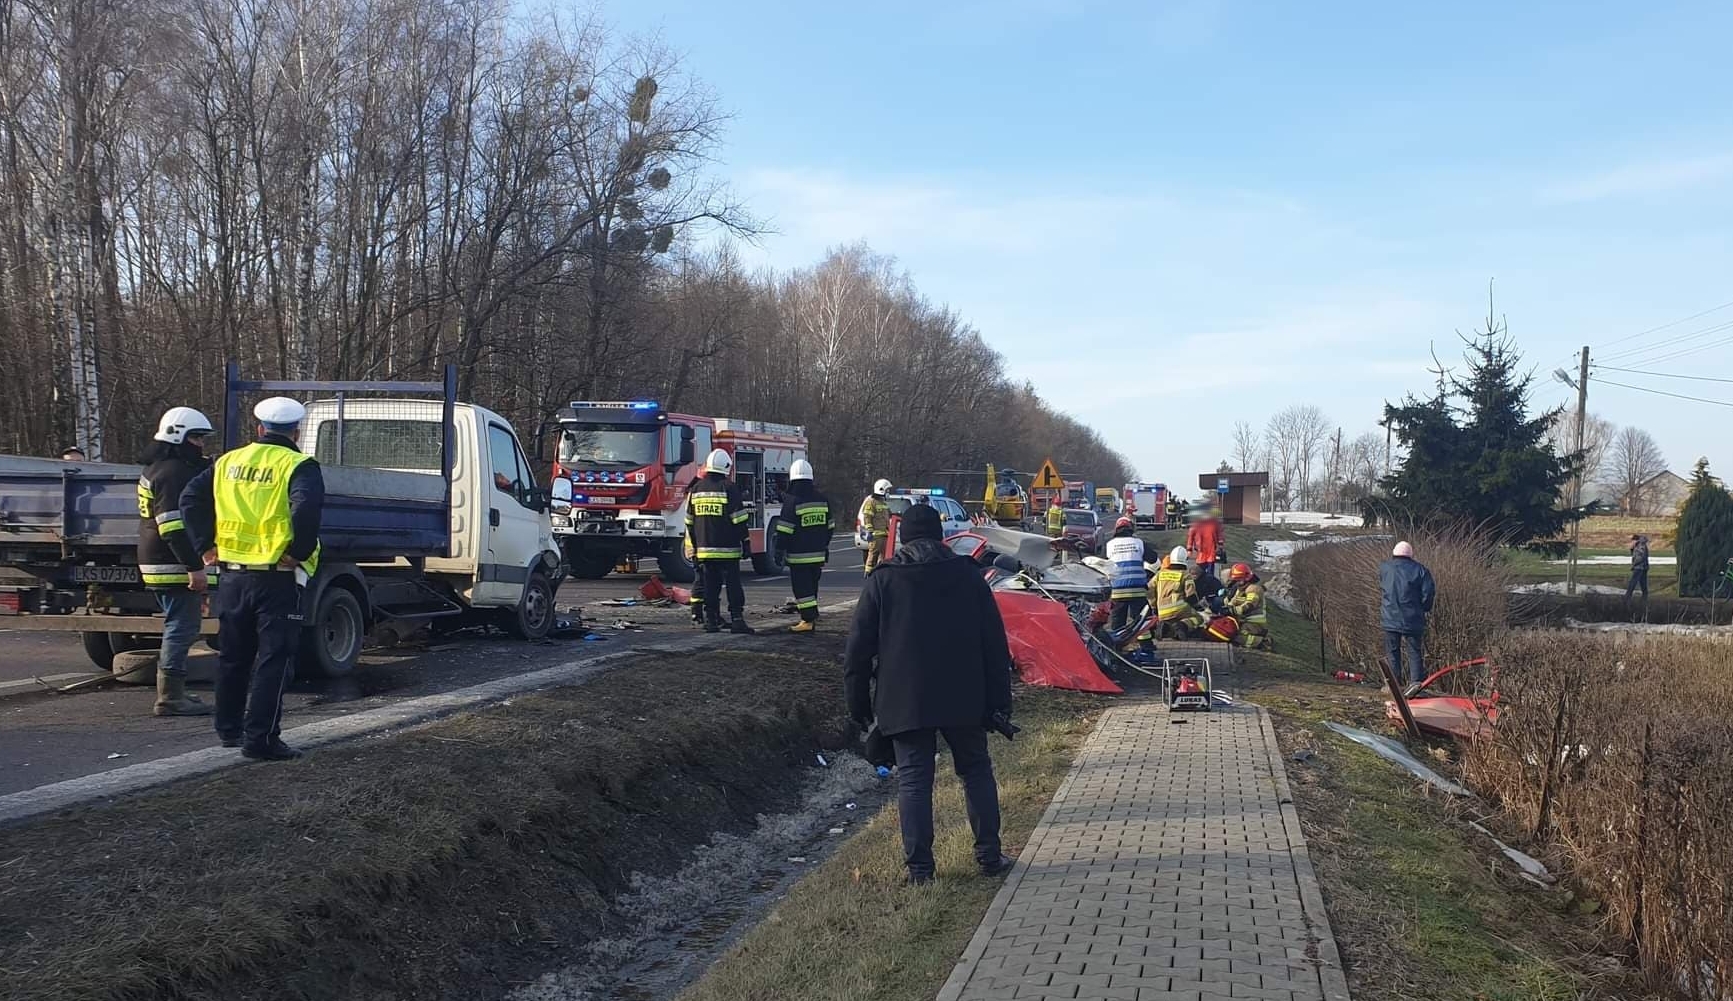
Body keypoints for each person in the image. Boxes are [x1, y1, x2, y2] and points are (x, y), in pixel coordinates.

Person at [843, 503, 1015, 886]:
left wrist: (859, 708)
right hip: (964, 695)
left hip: (904, 699)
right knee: (975, 771)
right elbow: (994, 644)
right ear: (940, 535)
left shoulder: (883, 581)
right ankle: (989, 855)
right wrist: (999, 702)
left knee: (914, 780)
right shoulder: (968, 577)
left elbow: (857, 651)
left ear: (902, 537)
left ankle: (921, 871)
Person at [181, 397, 323, 761]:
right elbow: (305, 509)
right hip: (277, 576)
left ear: (259, 429)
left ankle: (229, 730)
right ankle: (261, 740)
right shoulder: (299, 464)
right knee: (274, 659)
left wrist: (205, 547)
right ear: (297, 431)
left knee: (233, 656)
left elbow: (189, 499)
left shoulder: (226, 461)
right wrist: (300, 551)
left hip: (231, 575)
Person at [137, 407, 217, 716]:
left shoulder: (156, 468)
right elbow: (172, 526)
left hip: (157, 556)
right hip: (170, 560)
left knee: (181, 624)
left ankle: (176, 691)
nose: (201, 445)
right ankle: (170, 697)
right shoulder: (173, 473)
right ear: (178, 437)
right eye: (196, 438)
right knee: (181, 627)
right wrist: (194, 567)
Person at [685, 448, 754, 635]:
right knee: (733, 584)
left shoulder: (696, 489)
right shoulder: (729, 488)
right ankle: (737, 619)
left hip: (705, 550)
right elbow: (739, 519)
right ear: (726, 467)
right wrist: (746, 541)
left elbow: (689, 522)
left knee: (710, 586)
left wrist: (695, 547)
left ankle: (711, 621)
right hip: (728, 549)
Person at [776, 459, 833, 633]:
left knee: (802, 588)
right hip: (818, 554)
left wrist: (779, 549)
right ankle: (810, 617)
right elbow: (830, 527)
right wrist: (824, 544)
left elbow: (784, 529)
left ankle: (808, 620)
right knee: (811, 587)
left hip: (798, 556)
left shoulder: (792, 501)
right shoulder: (823, 499)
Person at [1379, 540, 1436, 687]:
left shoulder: (1384, 568)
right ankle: (1416, 684)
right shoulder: (1421, 570)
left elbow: (1383, 588)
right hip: (1413, 617)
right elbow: (1428, 593)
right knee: (1414, 652)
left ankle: (1393, 685)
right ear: (1410, 554)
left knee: (1392, 652)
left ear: (1394, 553)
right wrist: (1424, 608)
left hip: (1389, 616)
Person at [1103, 516, 1147, 632]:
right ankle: (1146, 646)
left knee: (1117, 622)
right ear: (1131, 529)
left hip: (1117, 590)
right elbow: (1153, 559)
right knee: (1141, 620)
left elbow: (1103, 564)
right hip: (1137, 590)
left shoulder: (1109, 545)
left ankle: (1116, 647)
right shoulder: (1139, 543)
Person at [1154, 546, 1204, 638]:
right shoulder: (1185, 575)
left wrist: (1154, 607)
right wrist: (1197, 606)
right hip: (1179, 607)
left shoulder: (1160, 574)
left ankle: (1166, 627)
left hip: (1162, 610)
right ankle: (1182, 625)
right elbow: (1191, 595)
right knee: (1199, 618)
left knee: (1172, 620)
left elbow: (1149, 589)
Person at [1224, 563, 1269, 649]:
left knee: (1238, 636)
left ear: (1246, 578)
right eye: (1235, 580)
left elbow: (1249, 605)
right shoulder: (1240, 589)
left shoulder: (1254, 589)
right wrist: (1225, 608)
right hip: (1243, 620)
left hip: (1255, 624)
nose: (1236, 582)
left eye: (1238, 580)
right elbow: (1233, 601)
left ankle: (1263, 643)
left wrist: (1232, 610)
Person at [858, 479, 892, 574]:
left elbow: (889, 516)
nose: (889, 493)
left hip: (885, 534)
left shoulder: (883, 504)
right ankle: (868, 573)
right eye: (887, 490)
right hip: (876, 535)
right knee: (873, 555)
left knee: (884, 557)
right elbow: (867, 517)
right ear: (881, 490)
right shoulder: (871, 502)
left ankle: (881, 573)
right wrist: (869, 531)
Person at [1187, 509, 1223, 577]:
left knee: (1210, 574)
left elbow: (1219, 534)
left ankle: (1210, 585)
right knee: (1200, 573)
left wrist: (1220, 544)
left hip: (1211, 551)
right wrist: (1189, 549)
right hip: (1201, 552)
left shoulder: (1214, 523)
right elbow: (1190, 536)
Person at [1625, 534, 1650, 605]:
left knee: (1633, 582)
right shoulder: (1639, 546)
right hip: (1643, 567)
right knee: (1643, 583)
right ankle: (1644, 598)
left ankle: (1627, 596)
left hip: (1639, 567)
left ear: (1635, 540)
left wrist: (1634, 565)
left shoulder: (1640, 546)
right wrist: (1632, 549)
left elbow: (1640, 557)